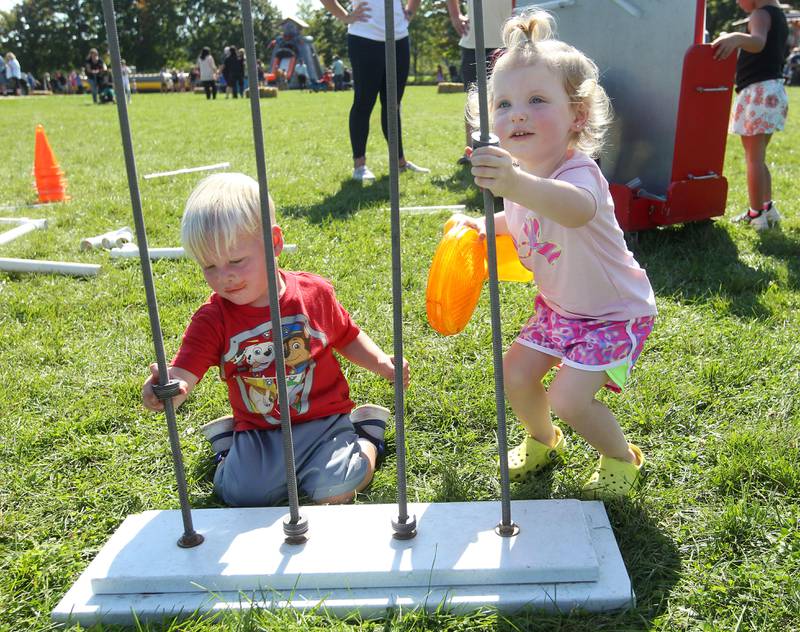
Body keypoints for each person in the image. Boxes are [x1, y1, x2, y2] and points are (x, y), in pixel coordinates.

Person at [453, 11, 656, 499]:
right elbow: (525, 218)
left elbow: (572, 211)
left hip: (613, 314)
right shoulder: (521, 174)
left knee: (569, 397)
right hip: (561, 309)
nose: (517, 113)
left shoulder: (578, 173)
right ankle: (544, 440)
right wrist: (484, 226)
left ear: (577, 116)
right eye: (503, 105)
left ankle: (621, 458)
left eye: (537, 100)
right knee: (515, 375)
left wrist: (516, 183)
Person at [142, 173, 410, 507]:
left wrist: (382, 362)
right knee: (241, 496)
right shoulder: (212, 320)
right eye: (209, 266)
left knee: (336, 490)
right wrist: (167, 388)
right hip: (259, 429)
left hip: (323, 421)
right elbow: (184, 373)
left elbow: (346, 335)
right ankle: (230, 447)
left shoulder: (314, 295)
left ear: (275, 242)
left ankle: (368, 433)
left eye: (237, 261)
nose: (224, 276)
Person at [321, 0, 429, 181]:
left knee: (393, 104)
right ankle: (359, 165)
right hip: (364, 38)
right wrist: (345, 16)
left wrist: (409, 12)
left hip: (399, 38)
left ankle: (400, 162)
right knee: (364, 102)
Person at [712, 0, 789, 232]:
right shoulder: (776, 14)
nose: (737, 1)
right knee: (759, 157)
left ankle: (756, 216)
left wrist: (735, 37)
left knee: (753, 160)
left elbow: (757, 42)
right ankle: (768, 208)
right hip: (772, 91)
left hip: (758, 94)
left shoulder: (759, 14)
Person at [446, 0, 514, 165]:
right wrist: (455, 16)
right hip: (473, 42)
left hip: (509, 41)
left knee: (512, 98)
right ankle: (472, 151)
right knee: (473, 99)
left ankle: (511, 151)